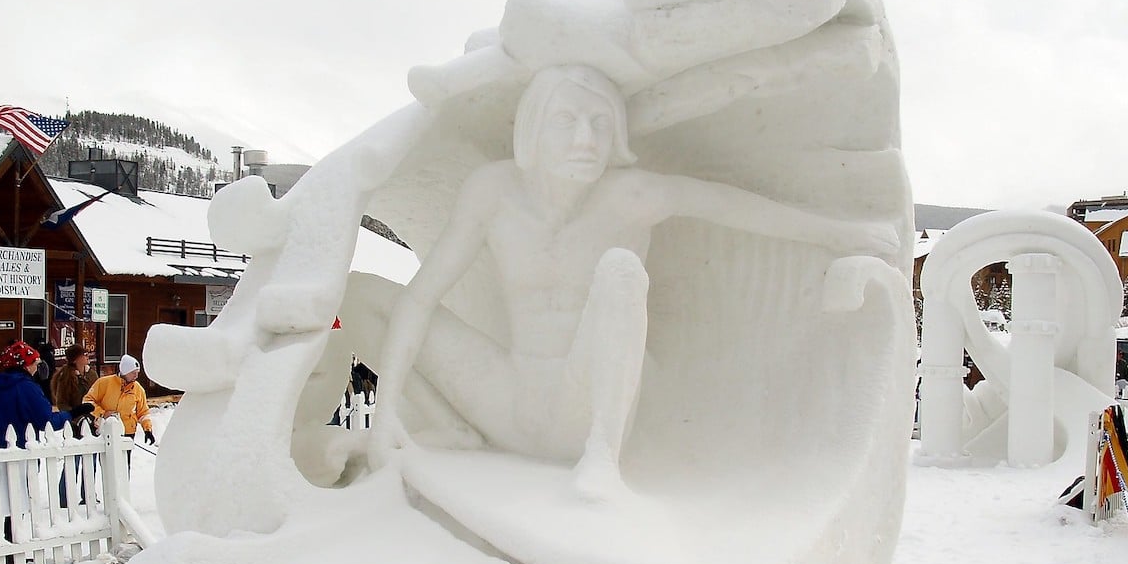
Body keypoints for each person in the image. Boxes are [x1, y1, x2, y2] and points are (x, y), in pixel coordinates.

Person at [367, 63, 896, 499]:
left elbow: (731, 207)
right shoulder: (492, 192)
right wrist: (385, 408)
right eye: (566, 121)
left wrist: (837, 233)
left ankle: (604, 459)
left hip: (581, 409)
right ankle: (442, 426)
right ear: (532, 128)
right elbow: (421, 296)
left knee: (620, 270)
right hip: (510, 401)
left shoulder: (632, 196)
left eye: (600, 124)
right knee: (368, 294)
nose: (584, 140)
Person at [0, 340, 80, 445]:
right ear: (26, 366)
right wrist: (71, 414)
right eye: (35, 364)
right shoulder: (27, 388)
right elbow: (46, 421)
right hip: (22, 451)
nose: (36, 369)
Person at [87, 354, 156, 444]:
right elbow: (88, 401)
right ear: (125, 371)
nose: (136, 376)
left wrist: (147, 430)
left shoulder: (138, 389)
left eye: (137, 372)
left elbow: (143, 412)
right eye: (133, 373)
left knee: (125, 458)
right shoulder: (104, 383)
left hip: (128, 433)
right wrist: (102, 413)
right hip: (107, 430)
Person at [50, 344, 98, 434]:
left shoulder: (92, 374)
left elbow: (98, 395)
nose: (87, 356)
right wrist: (75, 416)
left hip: (93, 417)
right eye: (84, 354)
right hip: (76, 422)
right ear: (75, 359)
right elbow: (62, 403)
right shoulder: (65, 377)